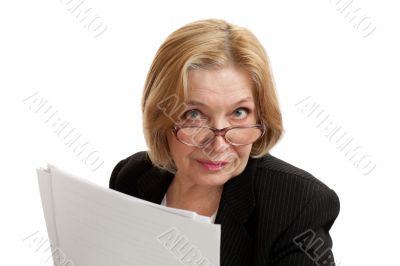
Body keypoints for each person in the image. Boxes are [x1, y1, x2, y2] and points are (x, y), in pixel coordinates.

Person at [109, 19, 340, 265]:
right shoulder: (132, 176)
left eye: (239, 113)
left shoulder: (298, 203)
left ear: (261, 115)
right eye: (194, 114)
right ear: (160, 115)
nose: (218, 145)